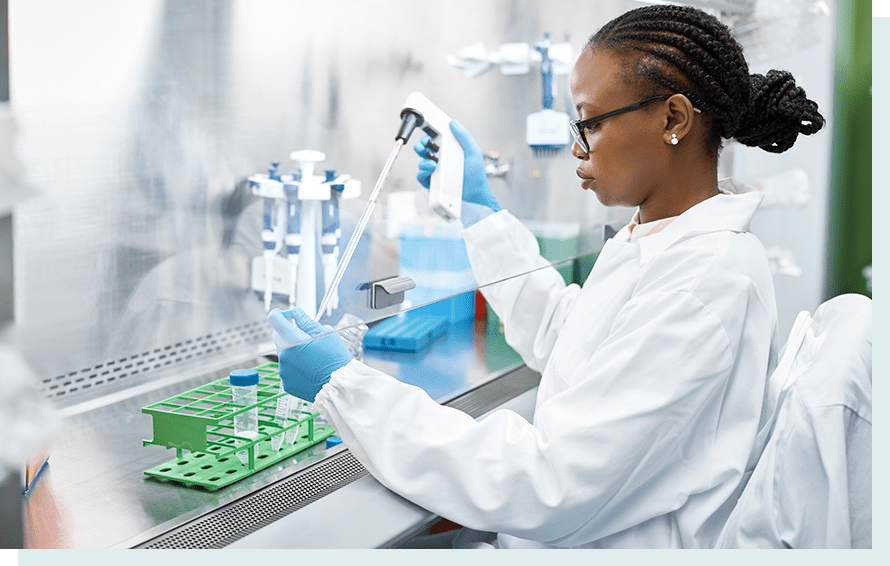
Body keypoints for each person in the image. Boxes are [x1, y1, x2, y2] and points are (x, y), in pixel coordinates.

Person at [267, 4, 825, 549]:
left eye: (592, 123)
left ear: (672, 119)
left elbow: (551, 484)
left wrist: (344, 388)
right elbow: (572, 338)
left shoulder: (706, 280)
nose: (577, 149)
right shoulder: (657, 239)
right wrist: (481, 215)